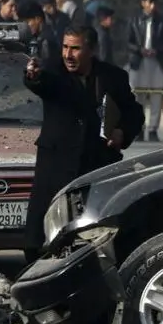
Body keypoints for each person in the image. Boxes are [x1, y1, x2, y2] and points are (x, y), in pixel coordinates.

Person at [22, 25, 144, 262]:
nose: (68, 54)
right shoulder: (52, 72)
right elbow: (40, 82)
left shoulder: (113, 77)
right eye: (65, 47)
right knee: (42, 238)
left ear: (92, 50)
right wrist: (32, 76)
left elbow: (134, 113)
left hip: (96, 166)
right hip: (57, 166)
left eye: (75, 48)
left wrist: (121, 133)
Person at [126, 0, 163, 141]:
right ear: (143, 3)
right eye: (149, 2)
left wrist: (157, 51)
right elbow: (128, 41)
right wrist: (140, 50)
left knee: (156, 95)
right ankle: (138, 128)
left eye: (154, 3)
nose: (152, 6)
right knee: (138, 95)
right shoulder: (134, 20)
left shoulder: (162, 21)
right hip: (139, 62)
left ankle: (153, 128)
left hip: (156, 62)